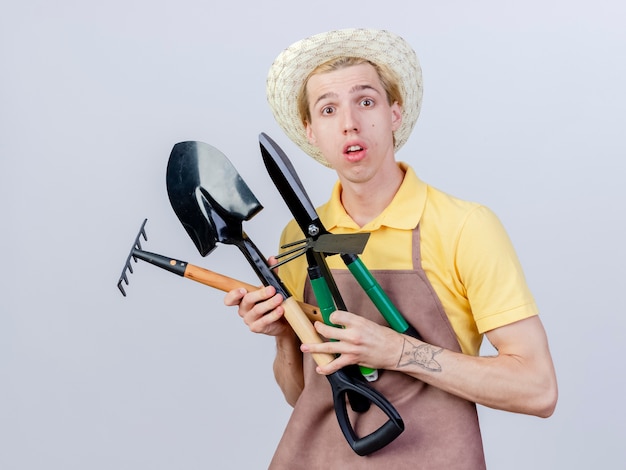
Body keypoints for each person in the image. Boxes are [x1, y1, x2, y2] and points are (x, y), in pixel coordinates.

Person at [224, 28, 557, 469]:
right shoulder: (296, 238)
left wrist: (399, 351)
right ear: (310, 131)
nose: (350, 123)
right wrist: (284, 334)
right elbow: (301, 395)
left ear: (394, 112)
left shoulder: (463, 227)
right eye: (328, 109)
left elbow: (537, 388)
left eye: (366, 101)